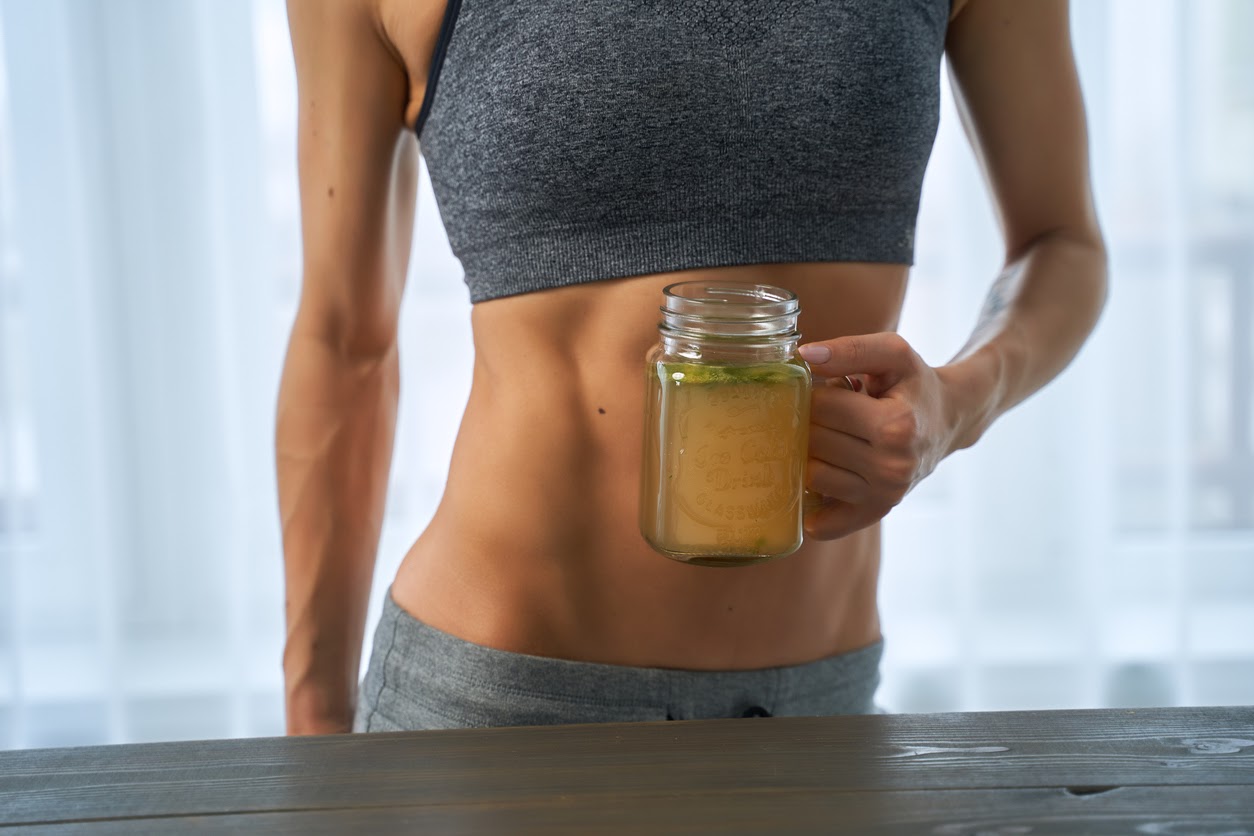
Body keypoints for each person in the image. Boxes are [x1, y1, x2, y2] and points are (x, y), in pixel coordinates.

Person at [278, 0, 1107, 734]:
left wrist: (954, 409)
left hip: (816, 712)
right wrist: (314, 721)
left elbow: (1061, 243)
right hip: (496, 706)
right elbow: (344, 341)